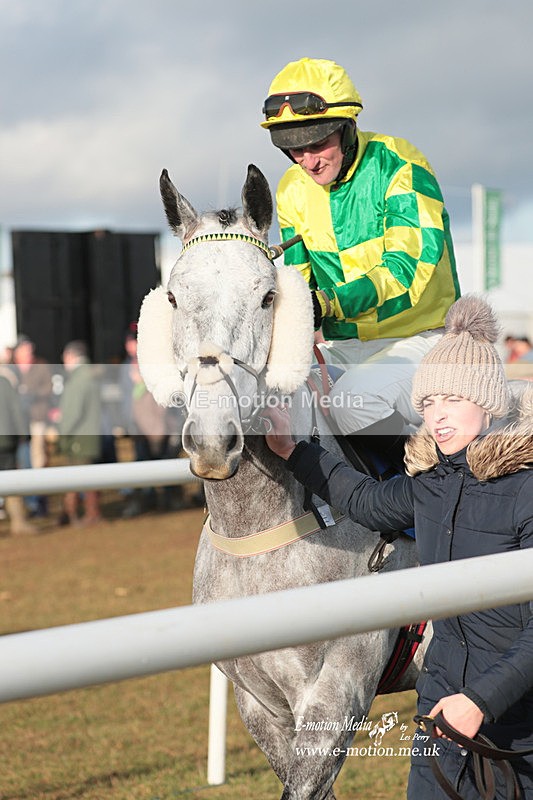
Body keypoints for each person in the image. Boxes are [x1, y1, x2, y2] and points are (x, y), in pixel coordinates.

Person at [265, 294, 533, 799]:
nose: (438, 417)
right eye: (428, 403)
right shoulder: (430, 481)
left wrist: (481, 701)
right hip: (441, 707)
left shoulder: (527, 488)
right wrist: (296, 451)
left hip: (518, 720)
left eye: (452, 399)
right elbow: (364, 500)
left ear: (488, 400)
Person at [261, 57, 460, 455]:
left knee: (352, 404)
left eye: (318, 144)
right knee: (271, 399)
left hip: (425, 340)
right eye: (294, 150)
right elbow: (301, 281)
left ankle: (415, 498)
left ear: (348, 128)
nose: (308, 161)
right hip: (345, 348)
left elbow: (407, 271)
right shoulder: (291, 190)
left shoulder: (399, 163)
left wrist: (331, 303)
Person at [57, 340, 102, 526]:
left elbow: (73, 412)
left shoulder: (78, 378)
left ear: (71, 356)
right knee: (87, 478)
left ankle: (78, 514)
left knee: (78, 479)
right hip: (88, 435)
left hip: (78, 437)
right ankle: (85, 513)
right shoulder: (89, 375)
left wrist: (63, 432)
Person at [9, 335, 53, 517]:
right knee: (22, 462)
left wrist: (30, 394)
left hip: (36, 419)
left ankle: (40, 503)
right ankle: (29, 503)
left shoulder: (41, 366)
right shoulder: (11, 370)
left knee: (38, 460)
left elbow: (49, 388)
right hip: (19, 423)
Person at [0, 366, 37, 536]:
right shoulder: (4, 382)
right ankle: (18, 522)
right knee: (10, 480)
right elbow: (15, 410)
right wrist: (24, 434)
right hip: (5, 441)